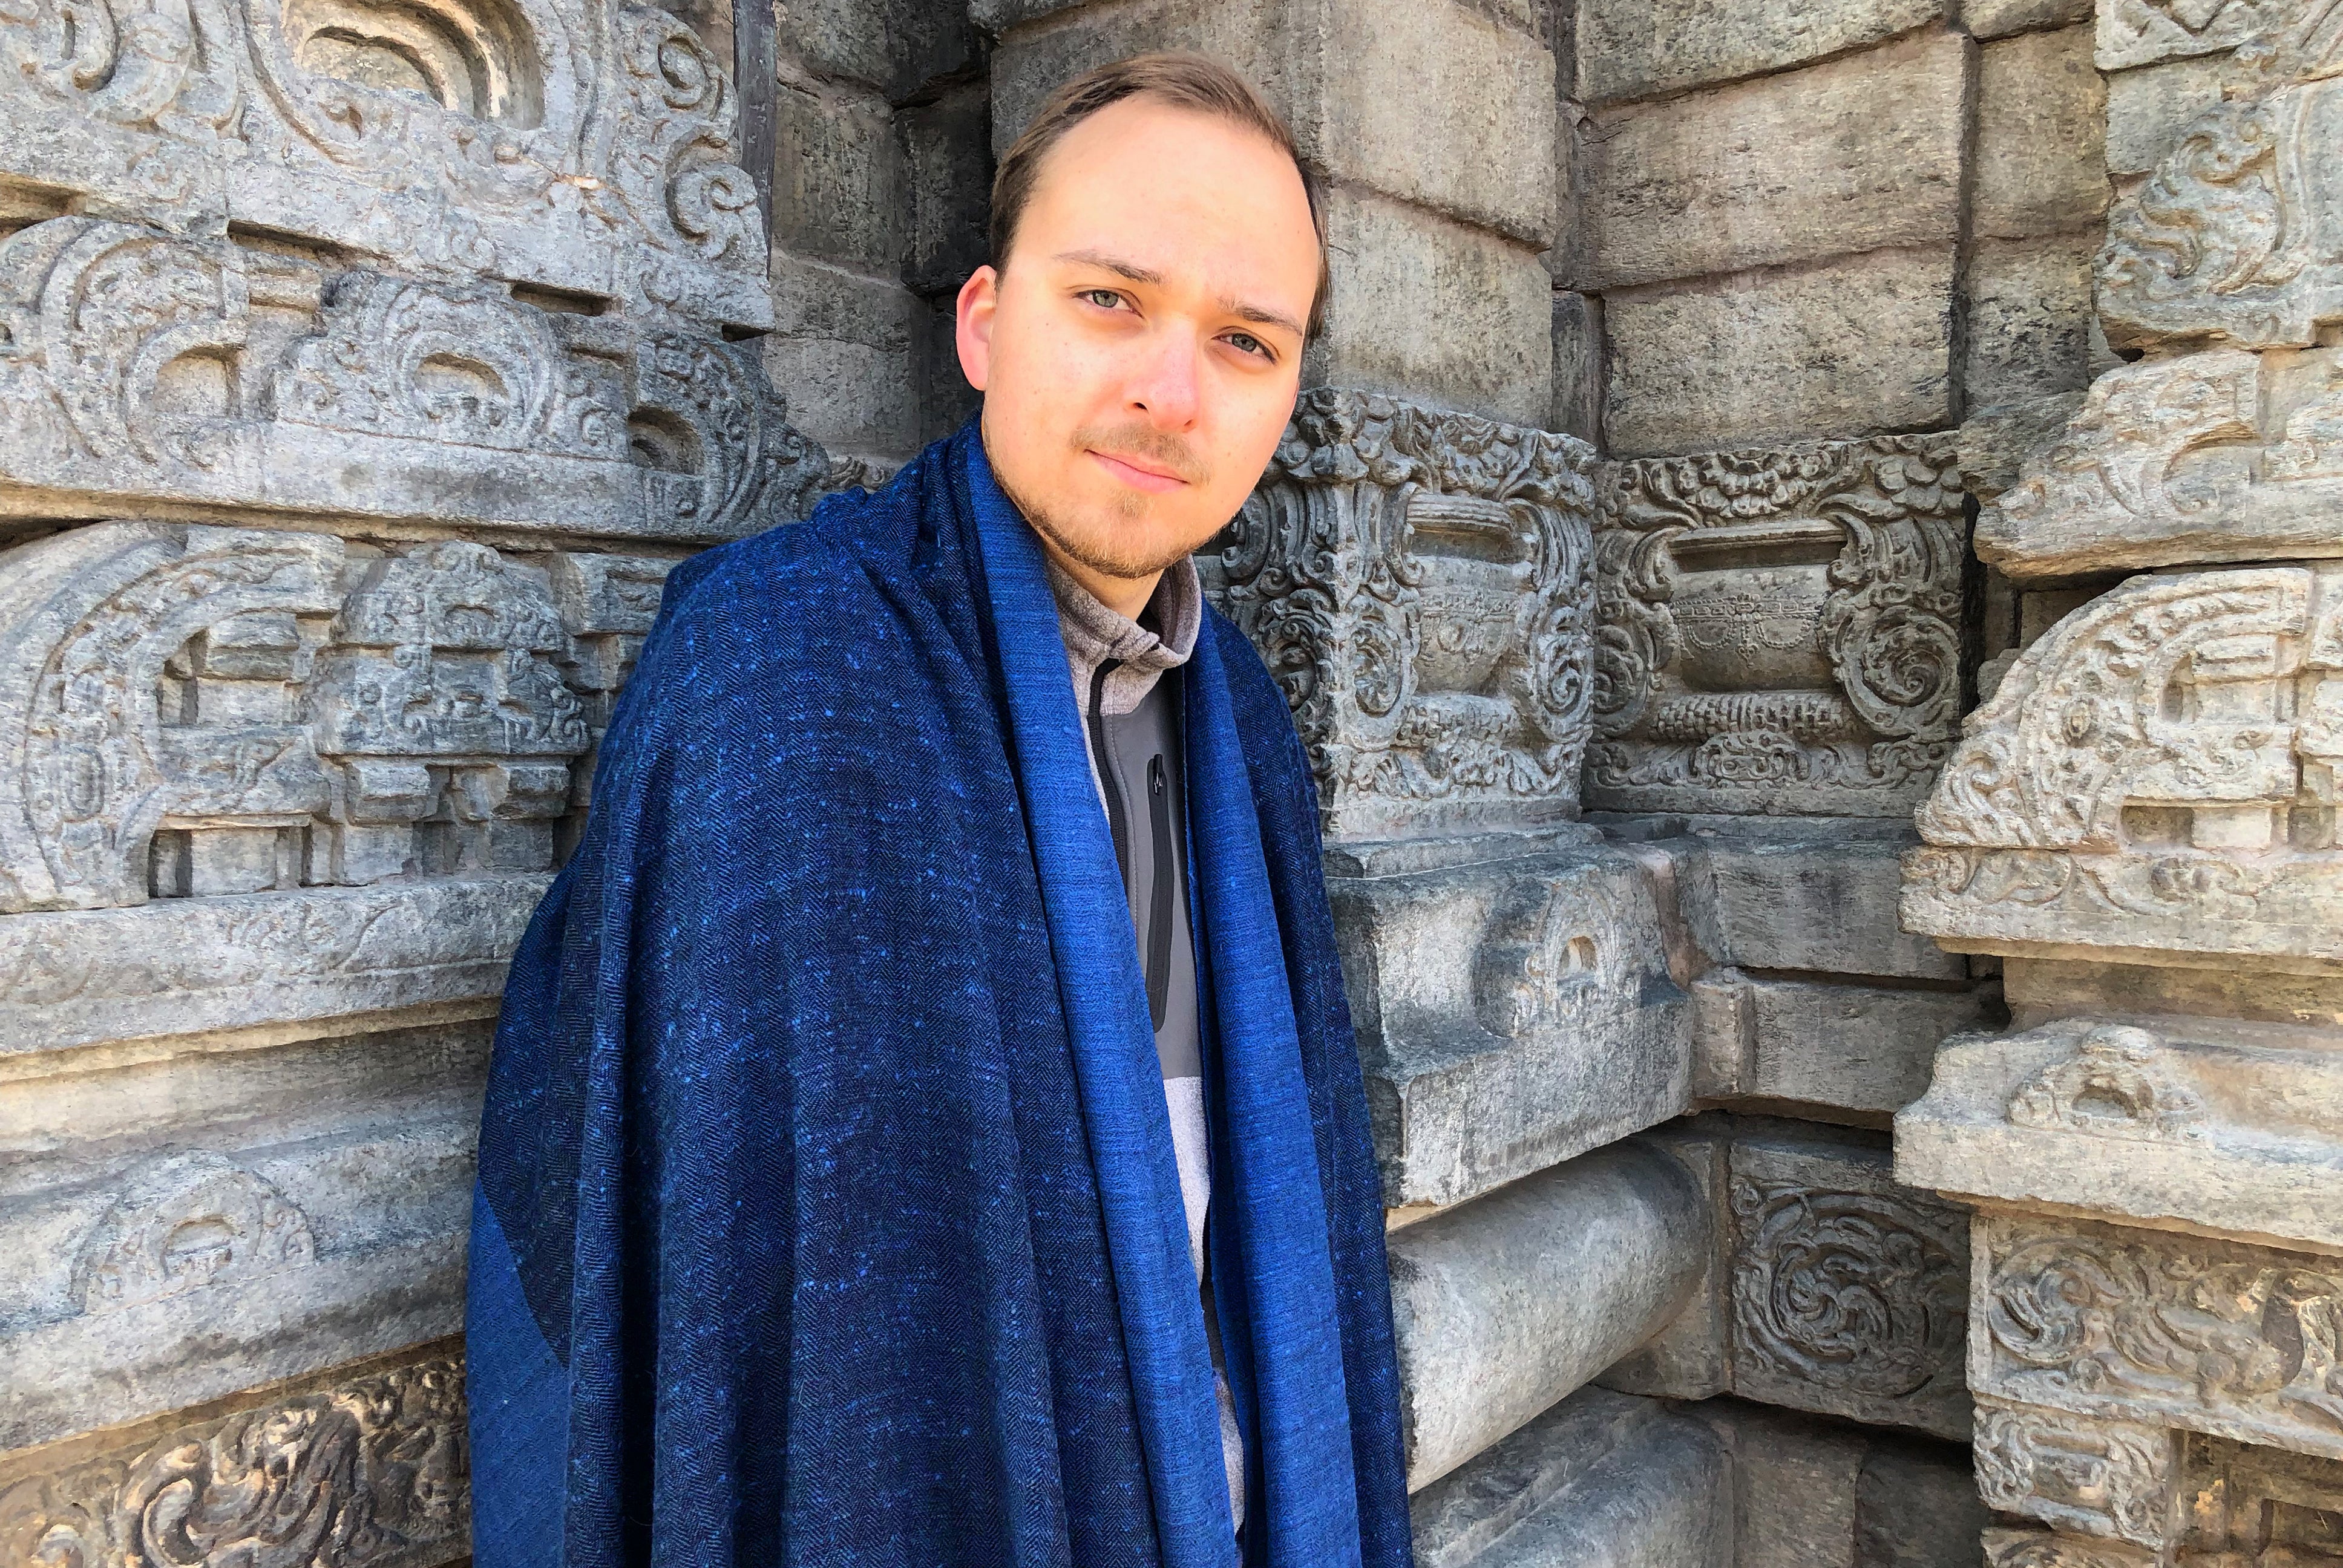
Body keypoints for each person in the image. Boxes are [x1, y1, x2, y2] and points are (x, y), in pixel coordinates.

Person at [465, 51, 1412, 1568]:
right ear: (984, 324)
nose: (1169, 393)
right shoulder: (773, 667)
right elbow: (695, 1231)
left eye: (1244, 340)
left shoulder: (1246, 728)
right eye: (1109, 300)